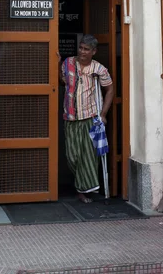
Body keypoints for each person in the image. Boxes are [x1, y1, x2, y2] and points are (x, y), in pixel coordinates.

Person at [59, 34, 114, 204]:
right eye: (81, 48)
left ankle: (82, 190)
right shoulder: (68, 63)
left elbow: (110, 91)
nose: (82, 52)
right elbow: (62, 81)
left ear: (94, 51)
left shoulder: (99, 69)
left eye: (86, 49)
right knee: (72, 155)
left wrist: (103, 114)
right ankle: (80, 185)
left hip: (90, 117)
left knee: (88, 156)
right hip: (70, 116)